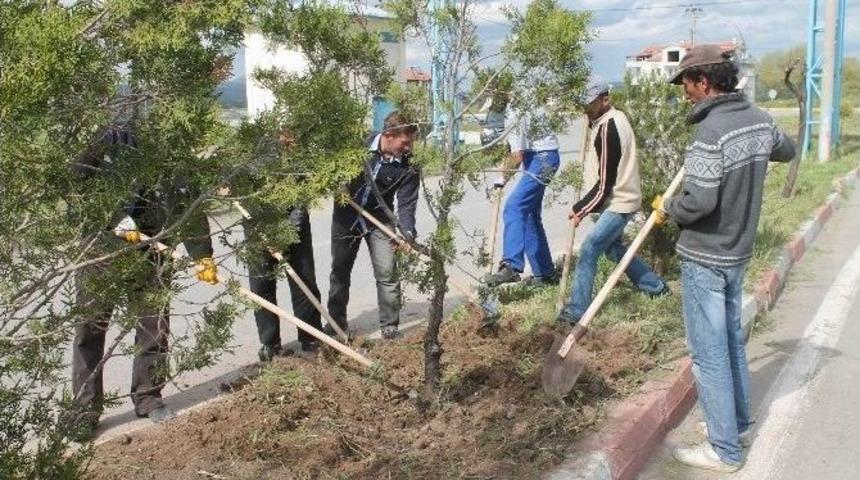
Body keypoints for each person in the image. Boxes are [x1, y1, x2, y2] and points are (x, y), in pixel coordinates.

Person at [653, 44, 796, 472]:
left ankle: (724, 450)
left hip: (706, 255)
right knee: (730, 341)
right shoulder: (758, 119)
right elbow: (786, 150)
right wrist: (755, 150)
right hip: (737, 253)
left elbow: (699, 203)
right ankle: (737, 425)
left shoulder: (710, 132)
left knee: (708, 353)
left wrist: (668, 207)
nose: (684, 93)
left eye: (686, 84)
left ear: (703, 81)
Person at [70, 124, 217, 437]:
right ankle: (84, 410)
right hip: (101, 248)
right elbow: (78, 179)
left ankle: (148, 397)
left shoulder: (173, 140)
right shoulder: (107, 136)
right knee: (89, 329)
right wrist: (113, 218)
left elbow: (185, 196)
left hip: (153, 246)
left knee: (154, 326)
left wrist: (202, 253)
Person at [556, 76, 669, 325]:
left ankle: (577, 311)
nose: (585, 109)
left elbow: (605, 184)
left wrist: (580, 209)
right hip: (619, 198)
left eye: (590, 104)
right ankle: (656, 287)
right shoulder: (611, 119)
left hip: (619, 201)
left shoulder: (608, 129)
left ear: (605, 99)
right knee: (614, 249)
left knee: (589, 249)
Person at [327, 111, 419, 340]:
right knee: (340, 270)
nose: (408, 148)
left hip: (379, 219)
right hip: (346, 216)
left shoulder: (409, 166)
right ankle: (336, 323)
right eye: (404, 142)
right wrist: (337, 184)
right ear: (388, 135)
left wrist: (407, 233)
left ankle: (390, 326)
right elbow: (332, 167)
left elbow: (407, 204)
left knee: (387, 272)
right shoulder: (358, 145)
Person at [484, 105, 561, 286]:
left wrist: (501, 178)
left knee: (514, 207)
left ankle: (511, 265)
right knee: (529, 216)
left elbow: (516, 156)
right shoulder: (521, 100)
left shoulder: (514, 111)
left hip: (542, 159)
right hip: (539, 157)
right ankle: (545, 274)